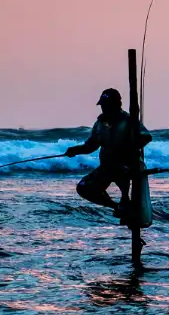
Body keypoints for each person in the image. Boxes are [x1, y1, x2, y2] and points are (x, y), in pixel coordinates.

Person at [65, 88, 151, 219]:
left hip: (125, 167)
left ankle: (125, 202)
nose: (104, 109)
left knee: (124, 186)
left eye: (107, 105)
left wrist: (127, 147)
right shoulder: (100, 123)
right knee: (83, 188)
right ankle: (115, 206)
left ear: (116, 104)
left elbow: (146, 137)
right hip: (106, 167)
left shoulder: (128, 120)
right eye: (102, 105)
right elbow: (91, 145)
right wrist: (75, 150)